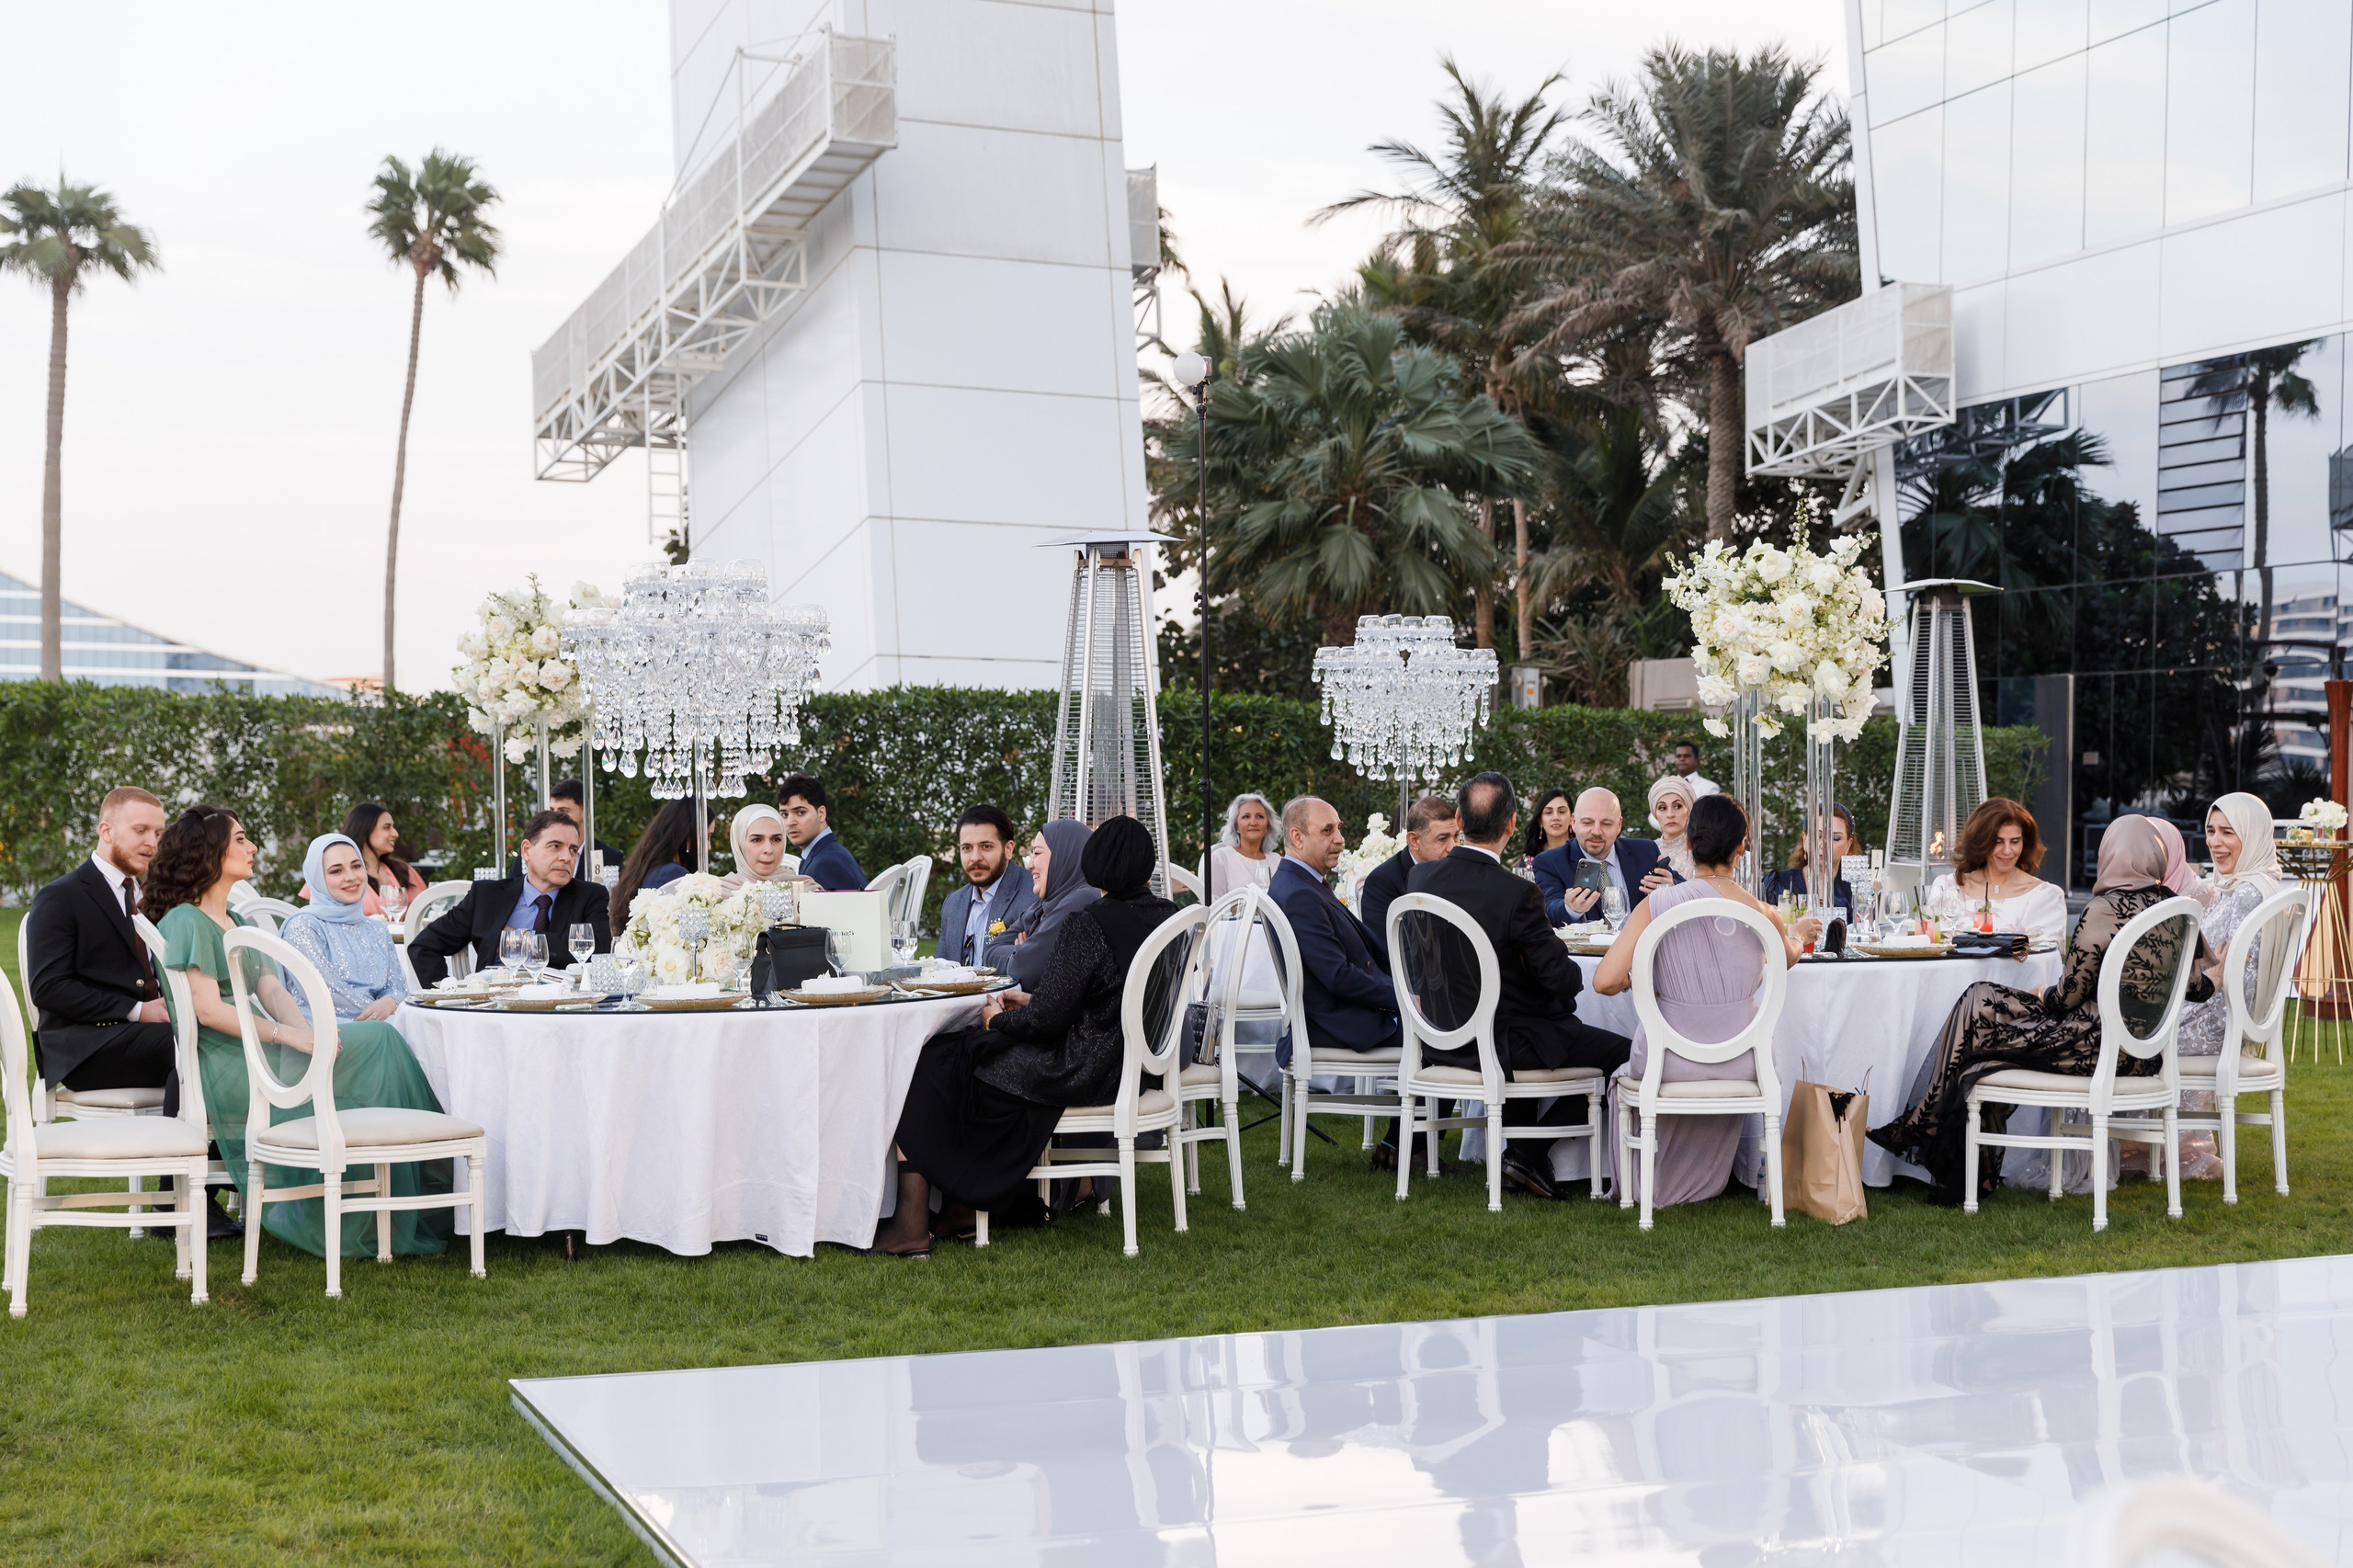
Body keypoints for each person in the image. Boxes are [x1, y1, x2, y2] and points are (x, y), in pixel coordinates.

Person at [146, 805, 451, 1260]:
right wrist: (289, 1039)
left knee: (367, 1042)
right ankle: (423, 1183)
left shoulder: (236, 918)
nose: (253, 848)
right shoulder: (187, 920)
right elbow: (209, 1012)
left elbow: (271, 990)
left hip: (256, 1049)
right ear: (210, 853)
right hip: (230, 1062)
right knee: (382, 1040)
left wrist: (310, 1032)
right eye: (242, 840)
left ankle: (389, 1197)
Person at [1869, 815, 2215, 1205]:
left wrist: (2041, 990)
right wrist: (2224, 972)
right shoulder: (2178, 911)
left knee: (1978, 1024)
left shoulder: (2104, 909)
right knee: (1981, 1003)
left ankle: (1924, 1124)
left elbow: (2066, 998)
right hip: (2142, 1054)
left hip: (2093, 1048)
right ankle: (1942, 1141)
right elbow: (2197, 990)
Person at [878, 815, 1180, 1255]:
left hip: (1081, 1068)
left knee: (934, 1061)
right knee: (958, 1057)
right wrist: (1030, 1006)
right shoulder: (1167, 917)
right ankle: (962, 1206)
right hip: (1131, 1065)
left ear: (1092, 863)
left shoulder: (1090, 922)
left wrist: (994, 1020)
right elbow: (1100, 999)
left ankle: (912, 1222)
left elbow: (1047, 1023)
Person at [1405, 772, 1633, 1199]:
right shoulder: (1516, 893)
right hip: (1505, 1042)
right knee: (1623, 1053)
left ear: (1458, 819)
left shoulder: (1421, 881)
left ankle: (1522, 1154)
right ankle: (1528, 1152)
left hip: (1439, 1038)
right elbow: (1562, 979)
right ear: (1511, 824)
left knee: (1546, 1026)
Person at [1595, 794, 1803, 1209]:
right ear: (1742, 847)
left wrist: (1642, 977)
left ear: (1688, 843)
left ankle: (1646, 1180)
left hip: (1667, 1060)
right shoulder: (1765, 913)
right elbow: (1787, 957)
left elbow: (1604, 981)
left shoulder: (1656, 905)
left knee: (1623, 1073)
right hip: (1744, 1060)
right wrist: (1797, 938)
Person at [24, 786, 176, 1103]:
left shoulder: (149, 894)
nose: (153, 842)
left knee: (215, 1039)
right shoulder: (61, 897)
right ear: (106, 831)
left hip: (152, 1034)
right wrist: (137, 1011)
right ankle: (178, 1144)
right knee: (186, 1045)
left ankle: (197, 1145)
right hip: (87, 1047)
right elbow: (49, 987)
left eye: (158, 832)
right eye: (141, 830)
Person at [2169, 791, 2284, 1180]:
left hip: (2218, 1022)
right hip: (2227, 1021)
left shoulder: (2247, 894)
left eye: (2228, 833)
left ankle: (2135, 1147)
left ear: (2251, 836)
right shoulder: (2250, 886)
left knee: (2122, 1036)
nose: (2216, 842)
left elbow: (2237, 981)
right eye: (2210, 831)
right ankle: (2159, 1148)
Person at [409, 810, 610, 984]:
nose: (567, 857)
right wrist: (447, 991)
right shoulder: (487, 896)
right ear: (526, 850)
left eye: (573, 849)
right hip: (495, 1009)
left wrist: (523, 940)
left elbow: (600, 953)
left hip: (559, 1009)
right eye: (555, 846)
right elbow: (424, 946)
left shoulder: (590, 896)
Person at [1269, 797, 1401, 1058]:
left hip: (1345, 1015)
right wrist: (1405, 998)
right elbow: (1338, 976)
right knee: (1444, 1037)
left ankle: (1415, 1100)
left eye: (1338, 828)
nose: (1340, 838)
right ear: (1297, 837)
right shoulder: (1299, 894)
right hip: (1339, 1025)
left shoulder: (1304, 882)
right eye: (1328, 830)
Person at [278, 835, 406, 1021]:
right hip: (327, 1029)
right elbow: (325, 992)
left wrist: (390, 1002)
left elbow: (398, 987)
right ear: (317, 878)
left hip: (381, 1021)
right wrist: (377, 1014)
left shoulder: (377, 929)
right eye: (336, 871)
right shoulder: (304, 926)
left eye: (356, 866)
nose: (351, 877)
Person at [1922, 799, 2069, 941]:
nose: (2007, 851)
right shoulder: (1946, 887)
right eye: (1998, 842)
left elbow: (2042, 960)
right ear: (1981, 842)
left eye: (2015, 841)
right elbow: (1927, 946)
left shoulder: (2045, 896)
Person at [1532, 787, 1678, 928]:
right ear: (1574, 822)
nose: (1596, 831)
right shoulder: (1550, 862)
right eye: (1587, 822)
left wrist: (1670, 887)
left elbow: (1685, 888)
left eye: (1606, 823)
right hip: (1585, 954)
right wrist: (1571, 908)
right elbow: (1549, 911)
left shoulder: (1645, 851)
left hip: (1641, 950)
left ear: (1619, 825)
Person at [986, 819, 1097, 989]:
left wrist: (1024, 953)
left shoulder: (1083, 899)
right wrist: (1023, 951)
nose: (1030, 865)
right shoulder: (1044, 905)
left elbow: (1024, 969)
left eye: (1037, 853)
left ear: (1064, 855)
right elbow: (988, 953)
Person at [1359, 794, 1461, 965]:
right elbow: (1387, 951)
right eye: (1442, 839)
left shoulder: (1459, 870)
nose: (1453, 847)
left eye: (1456, 836)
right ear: (1414, 841)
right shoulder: (1382, 882)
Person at [938, 805, 1040, 967]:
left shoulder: (1034, 895)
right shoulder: (953, 904)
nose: (975, 857)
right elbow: (939, 972)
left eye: (986, 847)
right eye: (967, 848)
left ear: (1008, 849)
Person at [312, 802, 428, 918]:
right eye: (387, 827)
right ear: (364, 830)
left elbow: (424, 910)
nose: (395, 834)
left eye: (357, 866)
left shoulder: (402, 870)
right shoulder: (332, 874)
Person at [608, 799, 704, 934]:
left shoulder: (647, 867)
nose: (709, 846)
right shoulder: (673, 874)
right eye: (706, 837)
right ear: (688, 836)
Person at [1761, 803, 1859, 914]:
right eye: (1817, 836)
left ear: (1848, 845)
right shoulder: (1778, 883)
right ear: (1805, 840)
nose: (1824, 845)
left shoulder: (1856, 890)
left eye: (1835, 838)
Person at [778, 773, 866, 891]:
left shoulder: (826, 863)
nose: (790, 822)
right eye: (784, 814)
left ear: (821, 813)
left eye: (800, 812)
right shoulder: (827, 854)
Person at [1208, 792, 1279, 899]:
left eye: (1259, 816)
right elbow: (1214, 905)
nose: (1253, 822)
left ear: (1268, 824)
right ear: (1236, 825)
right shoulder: (1221, 858)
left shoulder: (1277, 861)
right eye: (1246, 817)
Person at [720, 802, 795, 891]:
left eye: (776, 839)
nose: (768, 849)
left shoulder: (803, 888)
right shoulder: (716, 894)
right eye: (757, 840)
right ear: (739, 845)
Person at [1648, 776, 1698, 881]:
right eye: (1662, 808)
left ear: (1689, 810)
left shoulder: (1701, 851)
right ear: (1655, 813)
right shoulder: (1647, 851)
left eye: (1677, 806)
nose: (1670, 815)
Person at [1517, 789, 1575, 870]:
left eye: (1561, 812)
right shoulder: (1530, 860)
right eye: (1548, 812)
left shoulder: (1583, 851)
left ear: (1572, 818)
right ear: (1540, 820)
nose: (1555, 818)